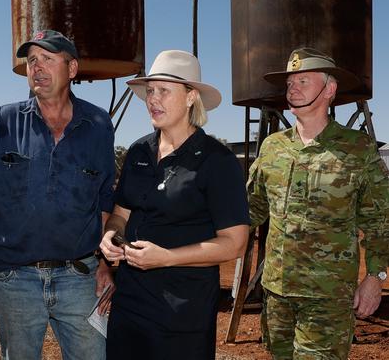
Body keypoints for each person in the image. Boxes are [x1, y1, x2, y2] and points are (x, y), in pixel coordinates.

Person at [0, 30, 115, 359]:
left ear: (71, 69)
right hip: (16, 279)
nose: (37, 68)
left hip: (80, 279)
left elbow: (103, 202)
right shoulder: (3, 121)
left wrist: (104, 264)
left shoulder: (98, 124)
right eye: (31, 61)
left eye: (47, 59)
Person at [99, 50, 250, 360]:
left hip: (182, 313)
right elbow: (120, 214)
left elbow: (234, 243)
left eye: (164, 91)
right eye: (150, 91)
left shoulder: (216, 161)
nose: (153, 99)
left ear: (191, 97)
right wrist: (111, 235)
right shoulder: (140, 151)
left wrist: (166, 257)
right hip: (129, 304)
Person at [248, 47, 389, 359]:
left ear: (329, 89)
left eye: (304, 81)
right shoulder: (273, 148)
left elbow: (380, 221)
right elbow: (250, 211)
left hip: (328, 297)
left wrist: (375, 278)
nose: (293, 88)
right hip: (277, 294)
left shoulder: (358, 150)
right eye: (290, 83)